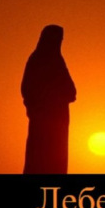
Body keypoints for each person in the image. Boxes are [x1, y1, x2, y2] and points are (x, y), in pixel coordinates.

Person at [21, 25, 76, 173]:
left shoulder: (57, 61)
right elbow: (28, 89)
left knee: (56, 158)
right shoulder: (38, 60)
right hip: (43, 120)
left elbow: (71, 91)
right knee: (40, 156)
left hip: (58, 120)